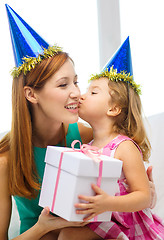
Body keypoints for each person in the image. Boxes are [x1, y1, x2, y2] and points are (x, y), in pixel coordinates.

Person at [0, 5, 156, 240]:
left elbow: (130, 193)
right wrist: (44, 226)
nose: (76, 93)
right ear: (31, 95)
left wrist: (145, 196)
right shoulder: (6, 160)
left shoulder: (85, 138)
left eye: (76, 81)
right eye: (63, 85)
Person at [58, 37, 164, 240]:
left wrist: (107, 203)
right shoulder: (87, 146)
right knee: (61, 234)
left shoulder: (124, 146)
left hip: (125, 225)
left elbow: (143, 196)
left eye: (93, 92)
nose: (81, 95)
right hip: (101, 220)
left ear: (113, 109)